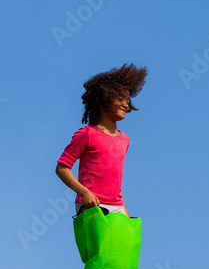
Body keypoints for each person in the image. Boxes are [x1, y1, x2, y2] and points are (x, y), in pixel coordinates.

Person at [56, 63, 146, 216]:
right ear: (103, 99)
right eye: (120, 99)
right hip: (92, 204)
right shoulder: (87, 134)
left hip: (117, 208)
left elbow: (116, 183)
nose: (126, 105)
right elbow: (62, 168)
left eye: (127, 101)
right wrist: (84, 193)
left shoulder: (125, 140)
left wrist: (126, 213)